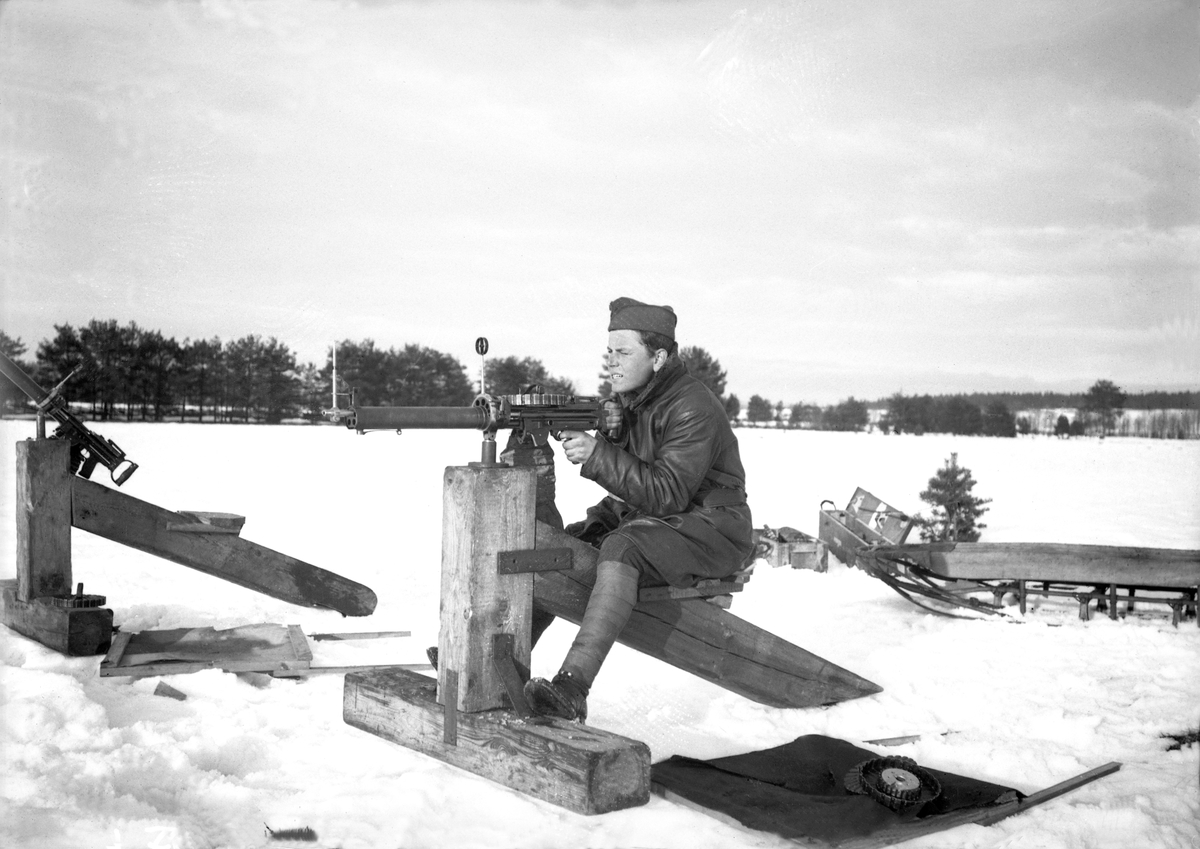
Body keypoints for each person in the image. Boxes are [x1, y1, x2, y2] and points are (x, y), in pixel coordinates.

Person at [523, 297, 754, 721]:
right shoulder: (633, 399)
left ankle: (572, 687)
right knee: (564, 546)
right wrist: (606, 432)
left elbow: (667, 492)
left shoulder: (692, 406)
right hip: (664, 521)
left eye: (624, 352)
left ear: (660, 356)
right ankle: (506, 662)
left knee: (622, 547)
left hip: (713, 530)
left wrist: (596, 454)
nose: (611, 361)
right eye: (609, 351)